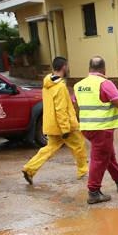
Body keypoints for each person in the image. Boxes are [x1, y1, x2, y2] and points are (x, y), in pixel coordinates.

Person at [74, 56, 118, 204]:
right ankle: (94, 192)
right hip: (101, 128)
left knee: (108, 154)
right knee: (99, 159)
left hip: (86, 127)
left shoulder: (79, 85)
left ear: (89, 69)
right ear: (104, 70)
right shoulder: (105, 84)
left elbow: (76, 106)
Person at [21, 57, 88, 185]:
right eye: (67, 66)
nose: (68, 69)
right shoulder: (60, 87)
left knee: (49, 148)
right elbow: (61, 109)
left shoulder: (47, 84)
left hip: (52, 125)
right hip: (65, 125)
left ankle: (29, 169)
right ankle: (83, 171)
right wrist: (65, 129)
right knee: (79, 145)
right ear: (64, 67)